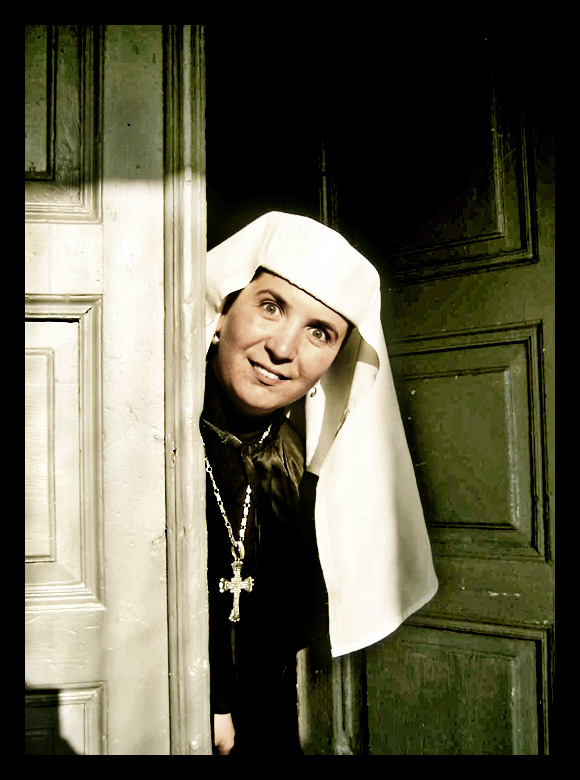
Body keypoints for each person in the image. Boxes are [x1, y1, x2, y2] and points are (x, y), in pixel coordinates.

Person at [202, 212, 438, 755]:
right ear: (223, 309)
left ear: (336, 359)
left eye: (319, 332)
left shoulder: (305, 470)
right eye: (270, 307)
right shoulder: (150, 438)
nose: (284, 349)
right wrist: (213, 701)